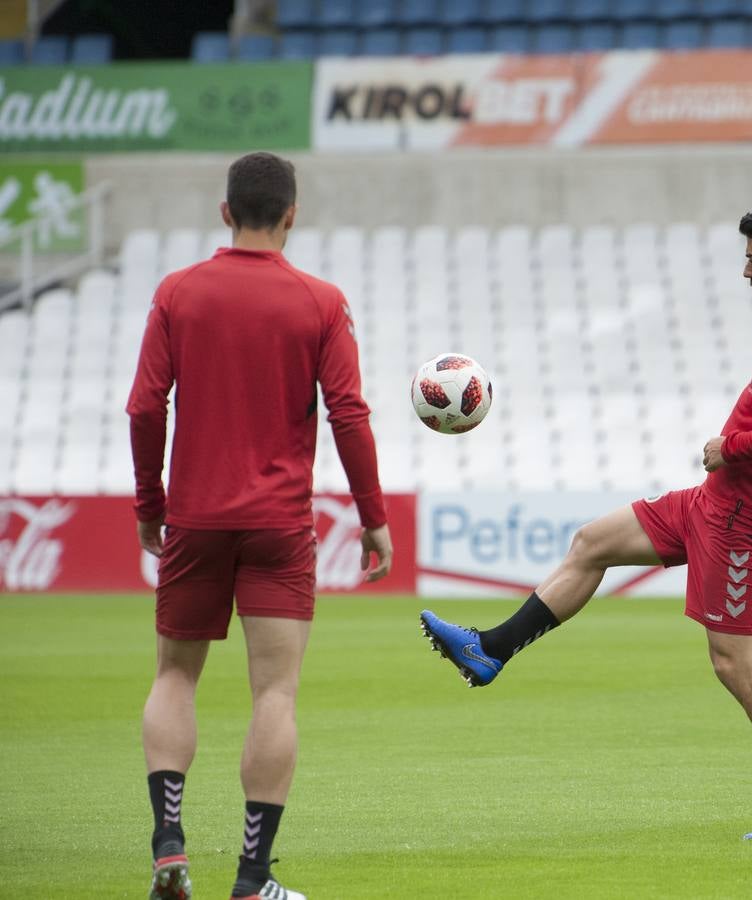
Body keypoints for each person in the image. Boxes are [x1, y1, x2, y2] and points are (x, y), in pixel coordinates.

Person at [420, 199, 752, 840]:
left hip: (745, 519)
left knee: (735, 663)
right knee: (591, 543)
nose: (747, 273)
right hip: (715, 501)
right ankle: (489, 648)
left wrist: (737, 449)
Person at [128, 151, 393, 900]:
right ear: (290, 215)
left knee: (175, 674)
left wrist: (150, 504)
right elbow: (349, 414)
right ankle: (250, 880)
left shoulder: (178, 293)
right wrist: (373, 518)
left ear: (225, 213)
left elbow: (146, 407)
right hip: (279, 525)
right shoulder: (319, 301)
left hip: (195, 519)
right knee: (274, 693)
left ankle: (169, 846)